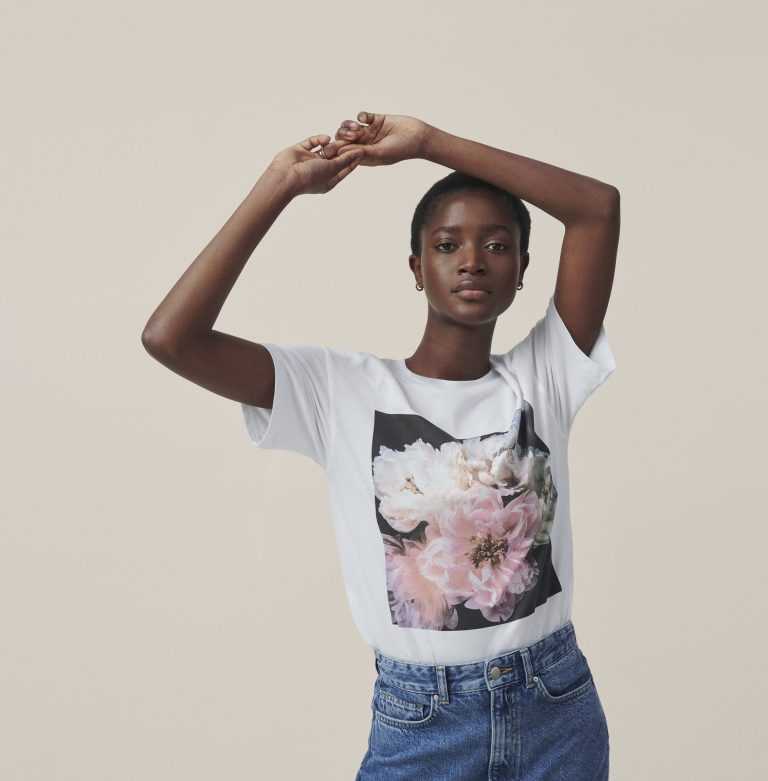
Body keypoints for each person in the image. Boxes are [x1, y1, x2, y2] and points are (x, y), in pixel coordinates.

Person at [142, 111, 620, 780]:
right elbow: (171, 338)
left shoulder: (546, 374)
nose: (472, 260)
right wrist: (280, 183)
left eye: (497, 244)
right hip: (423, 723)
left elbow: (597, 208)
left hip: (555, 710)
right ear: (417, 267)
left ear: (521, 271)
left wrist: (428, 143)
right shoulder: (338, 389)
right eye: (447, 245)